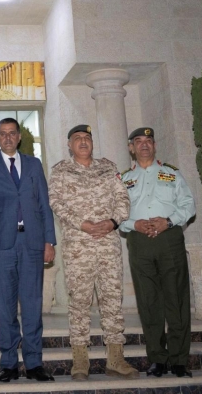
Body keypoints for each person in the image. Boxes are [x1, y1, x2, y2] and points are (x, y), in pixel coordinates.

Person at [49, 124, 138, 381]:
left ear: (92, 143)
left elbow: (123, 199)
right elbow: (56, 202)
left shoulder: (108, 168)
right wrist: (82, 224)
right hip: (78, 247)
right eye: (77, 138)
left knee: (112, 300)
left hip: (108, 244)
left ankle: (116, 359)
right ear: (69, 145)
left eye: (87, 137)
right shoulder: (61, 171)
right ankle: (80, 361)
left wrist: (113, 222)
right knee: (79, 302)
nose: (83, 141)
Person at [0, 118, 56, 383]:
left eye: (12, 133)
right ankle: (8, 364)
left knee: (32, 306)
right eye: (3, 134)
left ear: (19, 137)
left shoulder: (34, 164)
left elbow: (44, 204)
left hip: (32, 243)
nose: (8, 137)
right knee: (5, 307)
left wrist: (49, 241)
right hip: (1, 245)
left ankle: (34, 364)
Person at [120, 127, 196, 378]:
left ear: (154, 145)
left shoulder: (171, 173)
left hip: (169, 239)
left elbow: (188, 205)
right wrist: (134, 224)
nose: (144, 145)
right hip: (139, 242)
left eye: (148, 141)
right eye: (138, 141)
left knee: (176, 300)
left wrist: (169, 221)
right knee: (148, 301)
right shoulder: (123, 179)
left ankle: (179, 360)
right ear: (131, 148)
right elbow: (116, 214)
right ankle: (157, 359)